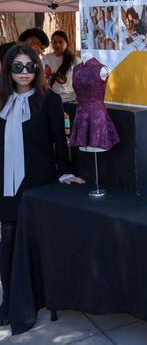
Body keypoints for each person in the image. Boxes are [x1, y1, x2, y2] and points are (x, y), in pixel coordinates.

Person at [0, 45, 84, 324]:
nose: (24, 73)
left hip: (37, 183)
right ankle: (10, 301)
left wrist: (65, 172)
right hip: (6, 184)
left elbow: (60, 143)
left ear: (37, 69)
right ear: (8, 69)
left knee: (34, 241)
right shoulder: (0, 99)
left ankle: (41, 295)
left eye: (29, 66)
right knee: (8, 239)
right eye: (17, 67)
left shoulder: (50, 101)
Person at [42, 30, 81, 104]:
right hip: (51, 100)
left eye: (60, 42)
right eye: (54, 42)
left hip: (68, 100)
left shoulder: (75, 60)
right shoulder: (46, 58)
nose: (57, 45)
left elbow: (80, 82)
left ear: (67, 44)